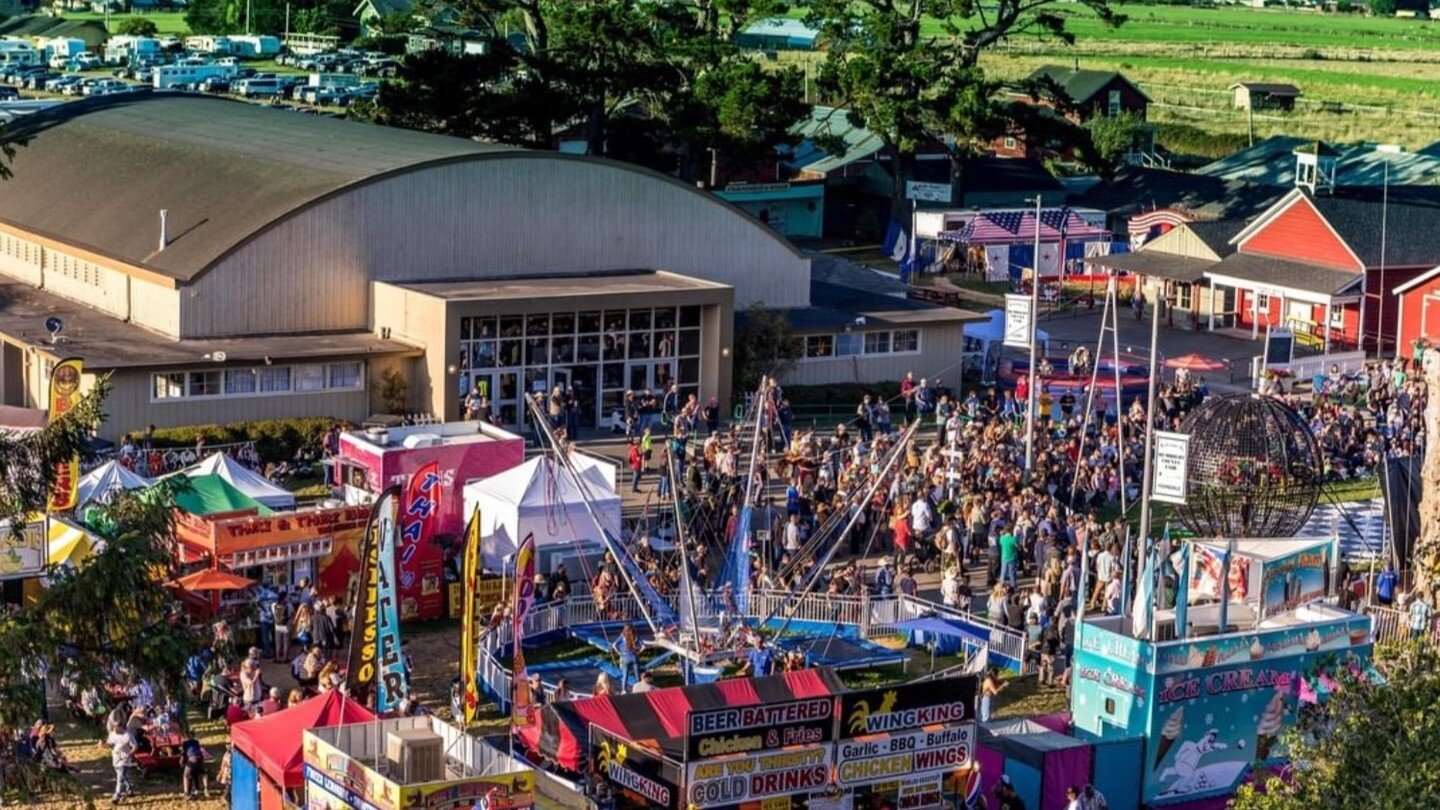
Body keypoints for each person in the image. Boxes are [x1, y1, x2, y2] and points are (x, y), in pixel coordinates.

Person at [109, 727, 136, 805]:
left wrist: (129, 754)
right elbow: (110, 744)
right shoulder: (112, 734)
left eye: (117, 728)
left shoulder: (128, 735)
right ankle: (129, 789)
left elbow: (135, 746)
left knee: (120, 778)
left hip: (124, 760)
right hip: (116, 759)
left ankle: (117, 795)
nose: (115, 730)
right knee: (123, 776)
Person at [613, 625, 641, 690]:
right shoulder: (635, 636)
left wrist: (619, 653)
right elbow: (643, 646)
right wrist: (638, 652)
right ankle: (639, 689)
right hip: (634, 657)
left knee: (625, 675)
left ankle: (624, 690)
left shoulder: (622, 636)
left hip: (625, 657)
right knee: (637, 675)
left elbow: (614, 645)